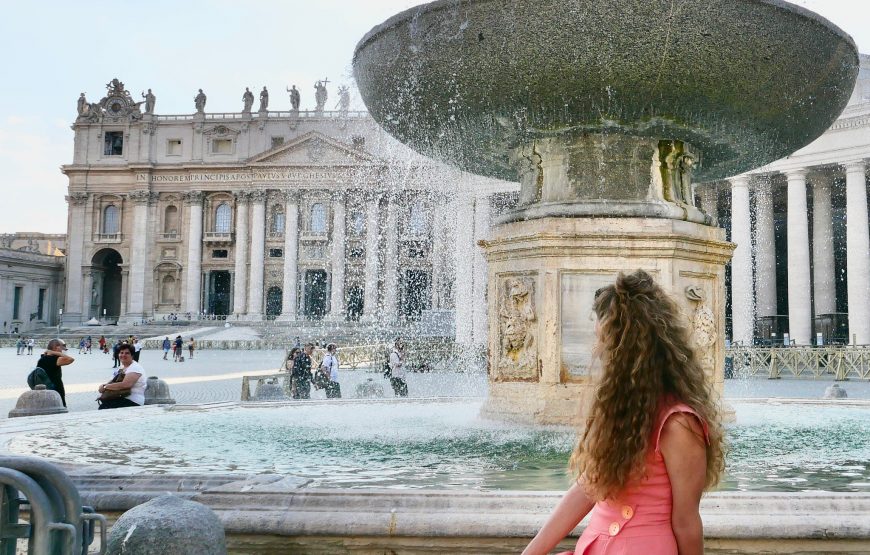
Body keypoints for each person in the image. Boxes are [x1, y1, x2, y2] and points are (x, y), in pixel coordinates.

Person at [522, 270, 725, 555]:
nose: (598, 351)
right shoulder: (620, 408)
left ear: (631, 352)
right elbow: (587, 487)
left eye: (606, 345)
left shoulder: (679, 424)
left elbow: (686, 521)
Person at [97, 343, 147, 410]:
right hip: (120, 397)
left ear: (132, 355)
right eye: (121, 353)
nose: (123, 355)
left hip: (133, 400)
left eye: (127, 353)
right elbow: (112, 380)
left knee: (104, 408)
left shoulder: (135, 368)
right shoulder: (122, 367)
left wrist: (105, 387)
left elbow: (125, 385)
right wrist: (103, 386)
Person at [37, 339, 75, 407]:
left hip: (45, 389)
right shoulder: (54, 359)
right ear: (56, 347)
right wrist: (55, 353)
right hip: (55, 390)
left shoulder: (43, 358)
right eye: (62, 347)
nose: (64, 349)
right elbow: (71, 359)